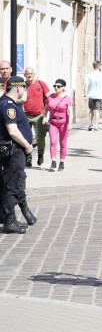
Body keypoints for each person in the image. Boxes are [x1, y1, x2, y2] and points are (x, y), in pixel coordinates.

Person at [0, 76, 36, 233]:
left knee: (15, 182)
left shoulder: (11, 104)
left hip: (15, 150)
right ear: (19, 88)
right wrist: (28, 146)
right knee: (12, 184)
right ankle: (9, 221)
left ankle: (12, 219)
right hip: (14, 150)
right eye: (25, 88)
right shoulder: (8, 106)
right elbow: (13, 131)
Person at [22, 67, 49, 168]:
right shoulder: (22, 85)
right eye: (27, 74)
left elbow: (48, 98)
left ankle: (40, 154)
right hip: (25, 116)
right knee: (26, 138)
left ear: (34, 74)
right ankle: (28, 159)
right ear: (24, 75)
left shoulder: (41, 84)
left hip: (39, 115)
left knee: (40, 138)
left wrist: (47, 115)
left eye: (31, 73)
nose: (29, 75)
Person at [46, 80, 72, 172]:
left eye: (58, 86)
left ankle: (61, 162)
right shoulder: (50, 97)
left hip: (63, 123)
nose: (56, 87)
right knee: (53, 142)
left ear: (63, 87)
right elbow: (46, 108)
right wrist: (44, 117)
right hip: (53, 122)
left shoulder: (67, 99)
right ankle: (53, 162)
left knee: (63, 143)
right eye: (55, 86)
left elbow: (70, 111)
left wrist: (70, 123)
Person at [85, 61, 102, 131]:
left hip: (91, 95)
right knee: (97, 110)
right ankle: (96, 126)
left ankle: (90, 124)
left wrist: (85, 95)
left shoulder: (89, 75)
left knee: (91, 110)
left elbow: (86, 85)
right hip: (99, 95)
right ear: (99, 66)